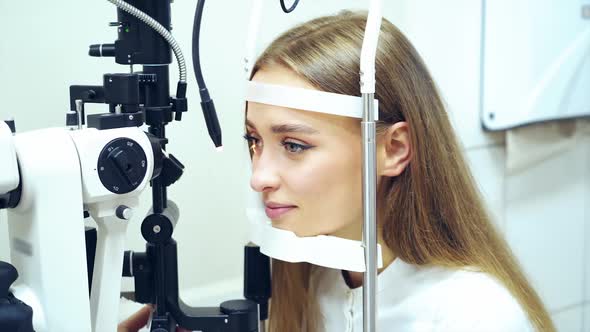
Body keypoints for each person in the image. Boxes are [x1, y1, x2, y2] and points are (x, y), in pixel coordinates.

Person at [121, 10, 555, 332]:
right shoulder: (311, 280)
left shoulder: (475, 316)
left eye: (294, 145)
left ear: (393, 149)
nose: (259, 177)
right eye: (254, 141)